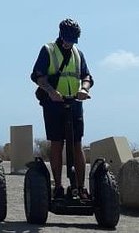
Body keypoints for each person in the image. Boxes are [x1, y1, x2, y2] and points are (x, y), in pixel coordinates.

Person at [30, 18, 92, 200]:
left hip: (74, 103)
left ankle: (80, 188)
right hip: (53, 104)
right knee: (57, 143)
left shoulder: (78, 53)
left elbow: (87, 76)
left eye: (72, 39)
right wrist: (50, 91)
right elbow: (38, 76)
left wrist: (84, 89)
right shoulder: (48, 50)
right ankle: (57, 186)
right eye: (67, 38)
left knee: (77, 144)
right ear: (60, 34)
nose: (69, 42)